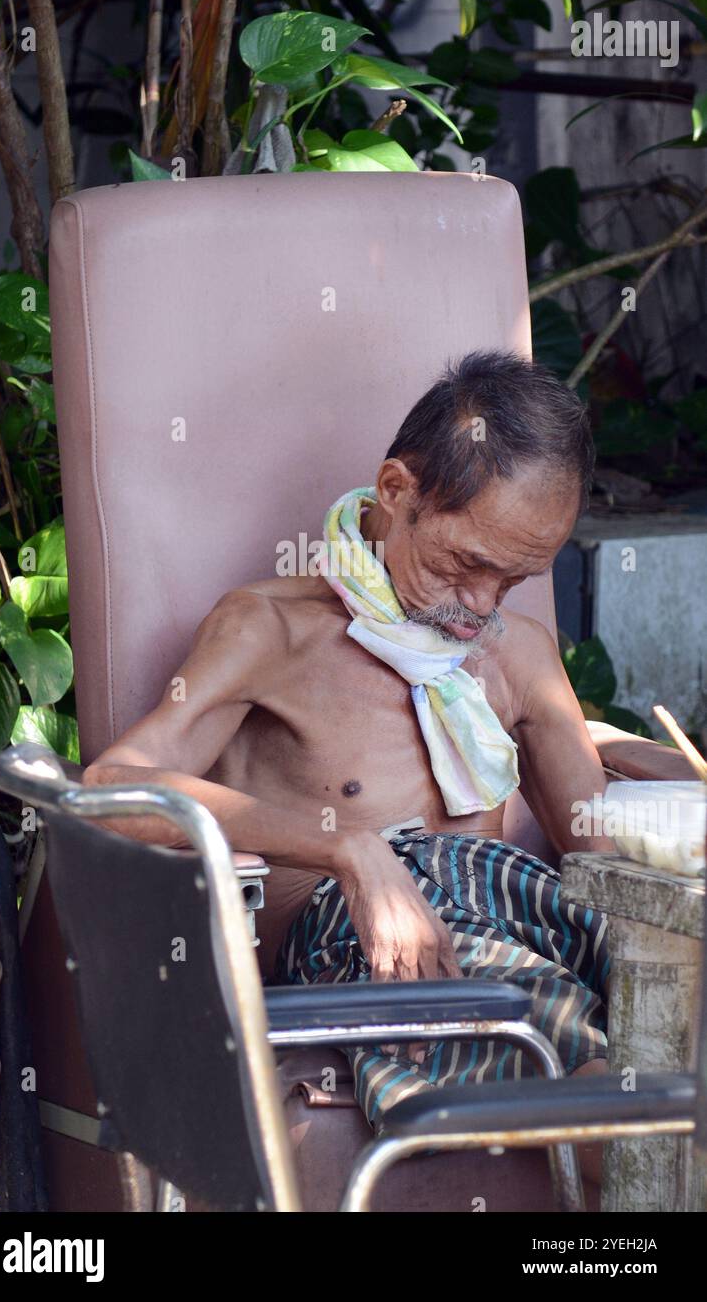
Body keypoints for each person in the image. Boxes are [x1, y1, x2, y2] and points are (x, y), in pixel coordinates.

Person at [83, 349, 614, 1182]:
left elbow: (607, 865)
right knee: (564, 1041)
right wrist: (352, 851)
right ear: (395, 492)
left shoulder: (520, 656)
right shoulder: (270, 629)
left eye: (513, 579)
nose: (480, 605)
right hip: (353, 944)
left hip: (516, 903)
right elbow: (111, 791)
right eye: (463, 562)